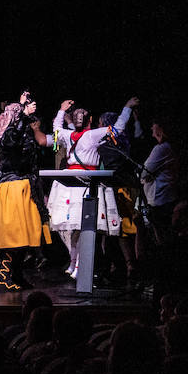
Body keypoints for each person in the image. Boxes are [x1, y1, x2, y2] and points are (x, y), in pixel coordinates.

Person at [47, 96, 137, 279]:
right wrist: (127, 108)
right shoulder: (92, 135)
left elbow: (56, 129)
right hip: (87, 185)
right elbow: (118, 129)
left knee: (76, 228)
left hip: (71, 185)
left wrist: (61, 110)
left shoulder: (68, 135)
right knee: (84, 228)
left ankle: (74, 264)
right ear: (90, 120)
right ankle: (78, 265)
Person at [0, 93, 52, 291]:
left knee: (26, 236)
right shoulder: (9, 134)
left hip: (24, 187)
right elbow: (14, 140)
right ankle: (8, 275)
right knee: (15, 236)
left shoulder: (23, 131)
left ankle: (13, 274)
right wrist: (23, 114)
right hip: (12, 188)